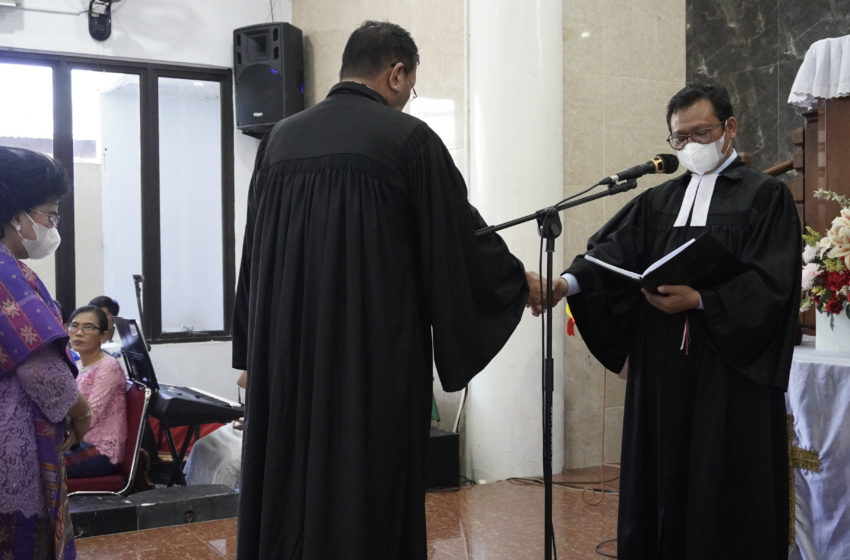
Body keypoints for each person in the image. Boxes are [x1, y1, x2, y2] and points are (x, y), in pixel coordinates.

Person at [233, 21, 541, 559]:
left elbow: (254, 256)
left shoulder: (279, 140)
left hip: (286, 358)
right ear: (397, 73)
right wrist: (518, 282)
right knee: (364, 482)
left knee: (287, 478)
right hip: (368, 362)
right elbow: (458, 241)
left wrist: (249, 351)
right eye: (411, 86)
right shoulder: (408, 140)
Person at [549, 83, 800, 558]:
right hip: (661, 366)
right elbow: (609, 253)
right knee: (658, 478)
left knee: (719, 485)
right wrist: (567, 284)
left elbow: (774, 285)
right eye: (679, 139)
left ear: (729, 128)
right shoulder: (659, 201)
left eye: (700, 133)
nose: (690, 147)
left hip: (726, 374)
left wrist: (702, 299)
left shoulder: (766, 198)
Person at [0, 146, 90, 559]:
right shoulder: (5, 272)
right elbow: (40, 370)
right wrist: (80, 409)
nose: (53, 225)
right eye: (50, 213)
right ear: (16, 214)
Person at [63, 305, 127, 478]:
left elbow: (90, 415)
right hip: (78, 440)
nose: (79, 332)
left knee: (41, 466)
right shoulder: (76, 364)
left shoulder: (108, 366)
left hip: (100, 450)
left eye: (89, 327)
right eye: (74, 325)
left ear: (104, 335)